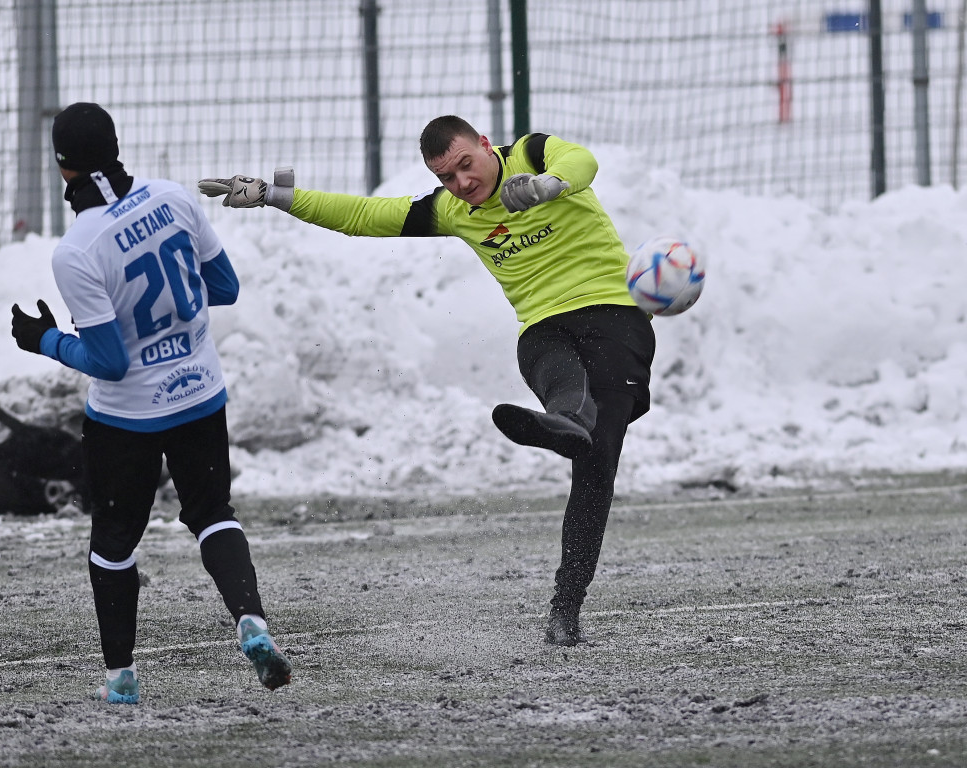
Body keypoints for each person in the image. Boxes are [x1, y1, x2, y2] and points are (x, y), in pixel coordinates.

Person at [198, 115, 656, 647]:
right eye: (447, 177)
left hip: (615, 317)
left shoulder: (532, 156)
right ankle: (565, 421)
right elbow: (365, 215)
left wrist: (550, 185)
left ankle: (565, 600)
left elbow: (584, 162)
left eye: (466, 164)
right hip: (544, 326)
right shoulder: (453, 211)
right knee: (547, 361)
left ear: (486, 145)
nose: (462, 183)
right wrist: (276, 197)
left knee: (595, 469)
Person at [10, 102, 292, 703]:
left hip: (126, 417)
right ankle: (251, 622)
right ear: (116, 146)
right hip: (200, 393)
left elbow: (109, 361)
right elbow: (226, 288)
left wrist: (48, 341)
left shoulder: (76, 249)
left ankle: (121, 680)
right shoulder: (173, 198)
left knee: (114, 541)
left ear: (62, 168)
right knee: (213, 512)